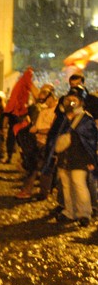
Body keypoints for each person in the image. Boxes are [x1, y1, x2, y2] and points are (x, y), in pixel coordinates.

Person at [46, 90, 97, 227]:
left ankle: (84, 213)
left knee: (79, 184)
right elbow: (54, 135)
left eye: (74, 98)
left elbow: (91, 140)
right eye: (69, 98)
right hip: (64, 157)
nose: (70, 101)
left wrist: (90, 159)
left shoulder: (85, 119)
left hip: (79, 157)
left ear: (81, 101)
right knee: (66, 185)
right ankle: (70, 211)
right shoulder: (63, 118)